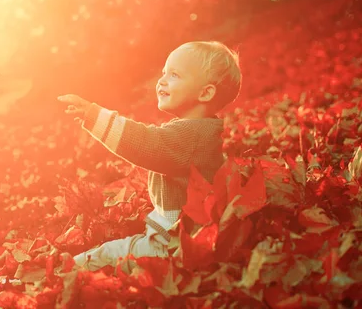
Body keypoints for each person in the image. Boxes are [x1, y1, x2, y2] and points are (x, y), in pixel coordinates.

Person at [57, 41, 242, 274]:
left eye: (174, 75)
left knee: (107, 255)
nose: (162, 80)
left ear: (205, 93)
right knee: (118, 250)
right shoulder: (197, 131)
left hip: (174, 247)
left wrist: (94, 116)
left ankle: (61, 273)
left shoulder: (192, 137)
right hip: (181, 239)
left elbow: (146, 144)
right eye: (164, 72)